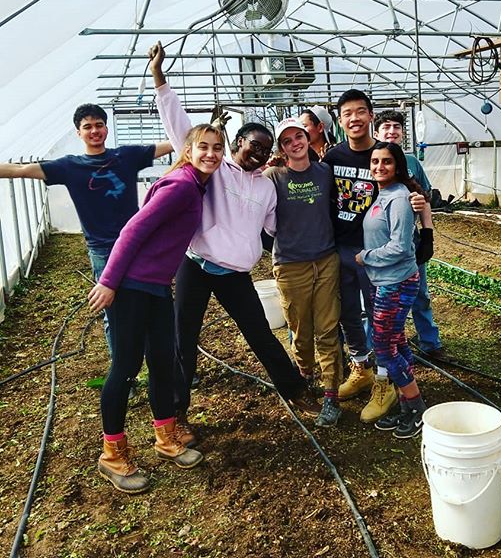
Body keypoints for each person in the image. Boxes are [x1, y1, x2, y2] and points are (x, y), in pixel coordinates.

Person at [148, 42, 320, 441]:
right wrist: (160, 79)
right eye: (251, 145)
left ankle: (295, 391)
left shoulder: (267, 187)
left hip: (235, 273)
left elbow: (278, 227)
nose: (258, 153)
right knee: (183, 339)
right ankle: (176, 414)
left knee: (260, 333)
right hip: (196, 265)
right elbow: (180, 129)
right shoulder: (214, 170)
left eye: (264, 149)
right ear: (236, 144)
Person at [88, 123, 224, 493]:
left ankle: (165, 438)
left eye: (217, 147)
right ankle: (112, 454)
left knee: (164, 362)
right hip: (132, 288)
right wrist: (109, 282)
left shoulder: (197, 185)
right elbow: (133, 230)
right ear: (188, 150)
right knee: (126, 367)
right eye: (203, 147)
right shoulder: (181, 185)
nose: (211, 154)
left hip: (158, 288)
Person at [0, 104, 173, 354]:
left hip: (137, 244)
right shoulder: (69, 166)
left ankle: (160, 365)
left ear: (106, 128)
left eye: (99, 125)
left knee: (150, 302)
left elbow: (172, 143)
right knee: (113, 313)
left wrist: (208, 132)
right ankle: (123, 374)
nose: (94, 131)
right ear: (78, 132)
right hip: (102, 250)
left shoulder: (125, 156)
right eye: (87, 127)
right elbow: (21, 170)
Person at [323, 89, 425, 424]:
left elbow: (414, 203)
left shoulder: (393, 179)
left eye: (360, 111)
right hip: (344, 248)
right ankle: (361, 369)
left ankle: (386, 382)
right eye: (347, 113)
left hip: (378, 258)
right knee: (351, 314)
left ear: (370, 116)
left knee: (384, 327)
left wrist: (423, 218)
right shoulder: (333, 158)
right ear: (340, 120)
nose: (354, 118)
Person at [264, 117, 343, 427]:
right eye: (288, 141)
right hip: (290, 263)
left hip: (325, 259)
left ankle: (331, 396)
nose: (295, 143)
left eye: (299, 136)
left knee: (327, 328)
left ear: (309, 139)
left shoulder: (325, 172)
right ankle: (304, 374)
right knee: (300, 328)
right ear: (282, 149)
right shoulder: (273, 176)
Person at [356, 142, 426, 439]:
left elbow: (400, 247)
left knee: (383, 347)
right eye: (374, 162)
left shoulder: (398, 198)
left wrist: (365, 257)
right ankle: (407, 405)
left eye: (386, 162)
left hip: (395, 281)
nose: (379, 167)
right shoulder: (383, 194)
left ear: (397, 166)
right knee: (396, 341)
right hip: (384, 281)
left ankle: (417, 407)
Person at [373, 110, 443, 357]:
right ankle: (382, 347)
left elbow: (425, 199)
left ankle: (430, 342)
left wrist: (427, 236)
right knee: (380, 298)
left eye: (396, 127)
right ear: (376, 132)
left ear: (403, 133)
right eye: (386, 127)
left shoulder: (412, 162)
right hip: (379, 244)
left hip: (410, 242)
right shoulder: (373, 161)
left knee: (420, 294)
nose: (392, 131)